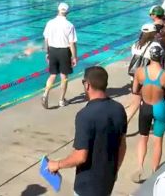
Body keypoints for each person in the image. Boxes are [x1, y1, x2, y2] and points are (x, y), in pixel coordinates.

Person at [47, 66, 127, 196]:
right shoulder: (119, 109)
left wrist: (57, 164)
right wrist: (114, 170)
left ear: (87, 85)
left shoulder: (85, 115)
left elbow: (80, 156)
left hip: (88, 186)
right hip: (107, 182)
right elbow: (122, 145)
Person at [126, 44, 165, 183]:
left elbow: (135, 90)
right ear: (161, 57)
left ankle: (140, 166)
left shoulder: (140, 72)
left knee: (143, 137)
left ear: (149, 56)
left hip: (146, 107)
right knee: (158, 140)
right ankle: (154, 171)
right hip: (160, 107)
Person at [41, 3, 78, 108]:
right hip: (64, 52)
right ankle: (61, 100)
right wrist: (74, 57)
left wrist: (47, 53)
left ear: (57, 10)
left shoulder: (50, 23)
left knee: (52, 74)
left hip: (52, 50)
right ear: (67, 12)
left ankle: (45, 94)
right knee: (64, 77)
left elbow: (46, 39)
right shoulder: (69, 25)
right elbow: (72, 43)